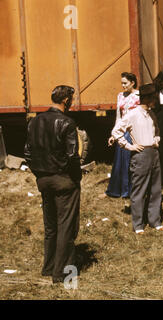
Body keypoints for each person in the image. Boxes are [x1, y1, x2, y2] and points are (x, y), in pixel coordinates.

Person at [24, 85, 81, 284]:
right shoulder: (67, 122)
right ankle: (62, 273)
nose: (72, 103)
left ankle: (48, 267)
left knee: (50, 226)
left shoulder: (35, 121)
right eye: (71, 100)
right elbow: (73, 156)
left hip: (43, 180)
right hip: (64, 180)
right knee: (66, 225)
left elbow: (27, 153)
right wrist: (75, 178)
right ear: (66, 100)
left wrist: (39, 173)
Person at [111, 83, 163, 234]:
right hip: (140, 155)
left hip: (153, 153)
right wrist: (129, 146)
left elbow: (157, 130)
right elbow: (116, 132)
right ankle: (138, 224)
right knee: (139, 191)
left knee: (155, 189)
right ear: (147, 98)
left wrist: (156, 138)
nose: (156, 100)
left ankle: (155, 221)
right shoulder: (133, 114)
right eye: (154, 97)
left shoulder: (152, 115)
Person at [106, 72, 140, 198]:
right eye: (122, 83)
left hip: (134, 131)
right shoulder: (120, 96)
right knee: (119, 161)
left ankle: (129, 191)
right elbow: (118, 117)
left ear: (133, 83)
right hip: (122, 131)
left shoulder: (139, 96)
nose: (123, 86)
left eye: (125, 83)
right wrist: (113, 135)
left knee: (129, 161)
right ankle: (116, 189)